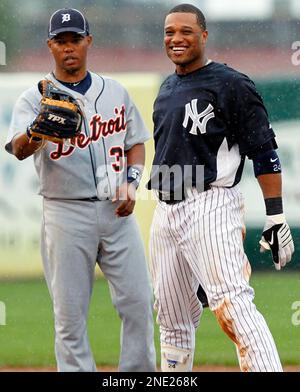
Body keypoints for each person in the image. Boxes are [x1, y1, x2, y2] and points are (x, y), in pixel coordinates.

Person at [5, 8, 156, 372]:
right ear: (50, 46)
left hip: (117, 212)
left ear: (88, 41)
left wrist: (132, 183)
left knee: (138, 304)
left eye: (75, 39)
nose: (68, 47)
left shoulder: (115, 91)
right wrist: (38, 129)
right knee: (70, 317)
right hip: (65, 211)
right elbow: (18, 149)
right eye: (61, 41)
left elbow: (137, 142)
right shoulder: (34, 97)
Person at [147, 3, 294, 372]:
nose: (176, 38)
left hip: (209, 205)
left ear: (204, 35)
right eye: (169, 32)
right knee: (172, 320)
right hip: (165, 210)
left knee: (233, 305)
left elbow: (263, 151)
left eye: (186, 31)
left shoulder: (231, 83)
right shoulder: (167, 87)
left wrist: (275, 217)